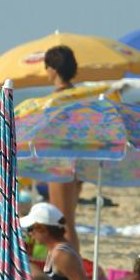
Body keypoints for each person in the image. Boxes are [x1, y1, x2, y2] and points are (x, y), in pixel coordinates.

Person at [17, 202, 102, 280]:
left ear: (43, 229)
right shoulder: (57, 250)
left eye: (30, 229)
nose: (30, 234)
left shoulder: (62, 255)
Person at [41, 45, 86, 250]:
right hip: (79, 159)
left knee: (62, 221)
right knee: (68, 219)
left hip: (60, 160)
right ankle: (70, 265)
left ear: (54, 69)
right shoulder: (80, 97)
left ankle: (71, 269)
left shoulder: (54, 100)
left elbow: (50, 132)